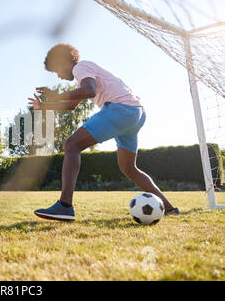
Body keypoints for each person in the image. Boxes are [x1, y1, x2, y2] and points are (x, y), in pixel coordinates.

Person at [28, 44, 180, 221]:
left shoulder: (80, 67)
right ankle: (169, 208)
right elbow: (71, 105)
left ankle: (65, 206)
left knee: (71, 145)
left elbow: (89, 91)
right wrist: (44, 105)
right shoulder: (83, 76)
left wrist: (57, 96)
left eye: (57, 70)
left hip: (120, 109)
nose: (59, 76)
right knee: (129, 168)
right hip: (135, 113)